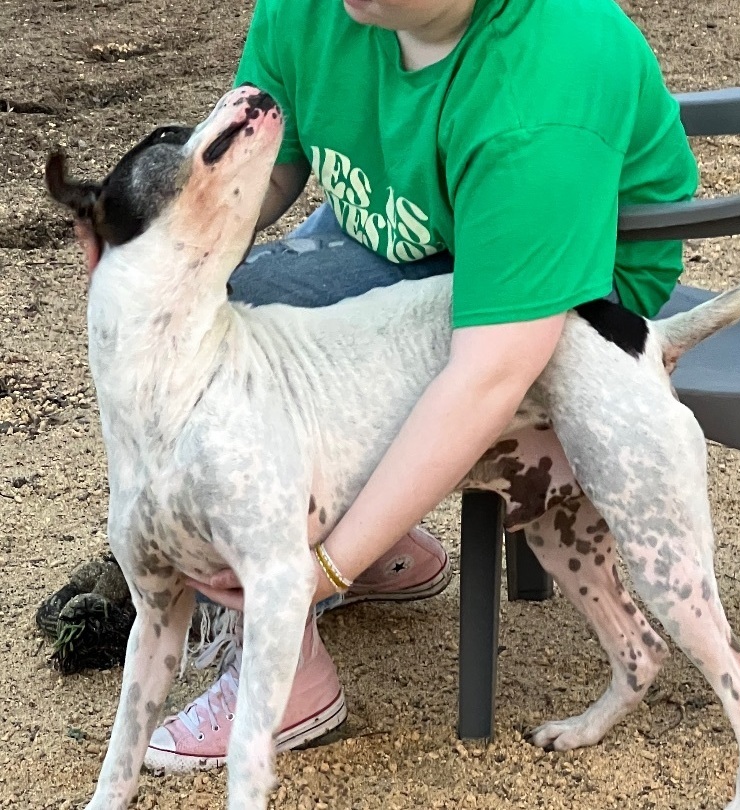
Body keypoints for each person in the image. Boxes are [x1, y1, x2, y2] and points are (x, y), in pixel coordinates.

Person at [144, 0, 699, 773]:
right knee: (214, 319)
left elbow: (490, 373)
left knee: (254, 351)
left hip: (568, 280)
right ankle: (380, 539)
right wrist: (169, 251)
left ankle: (291, 673)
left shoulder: (539, 83)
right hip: (408, 222)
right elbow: (265, 170)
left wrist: (321, 570)